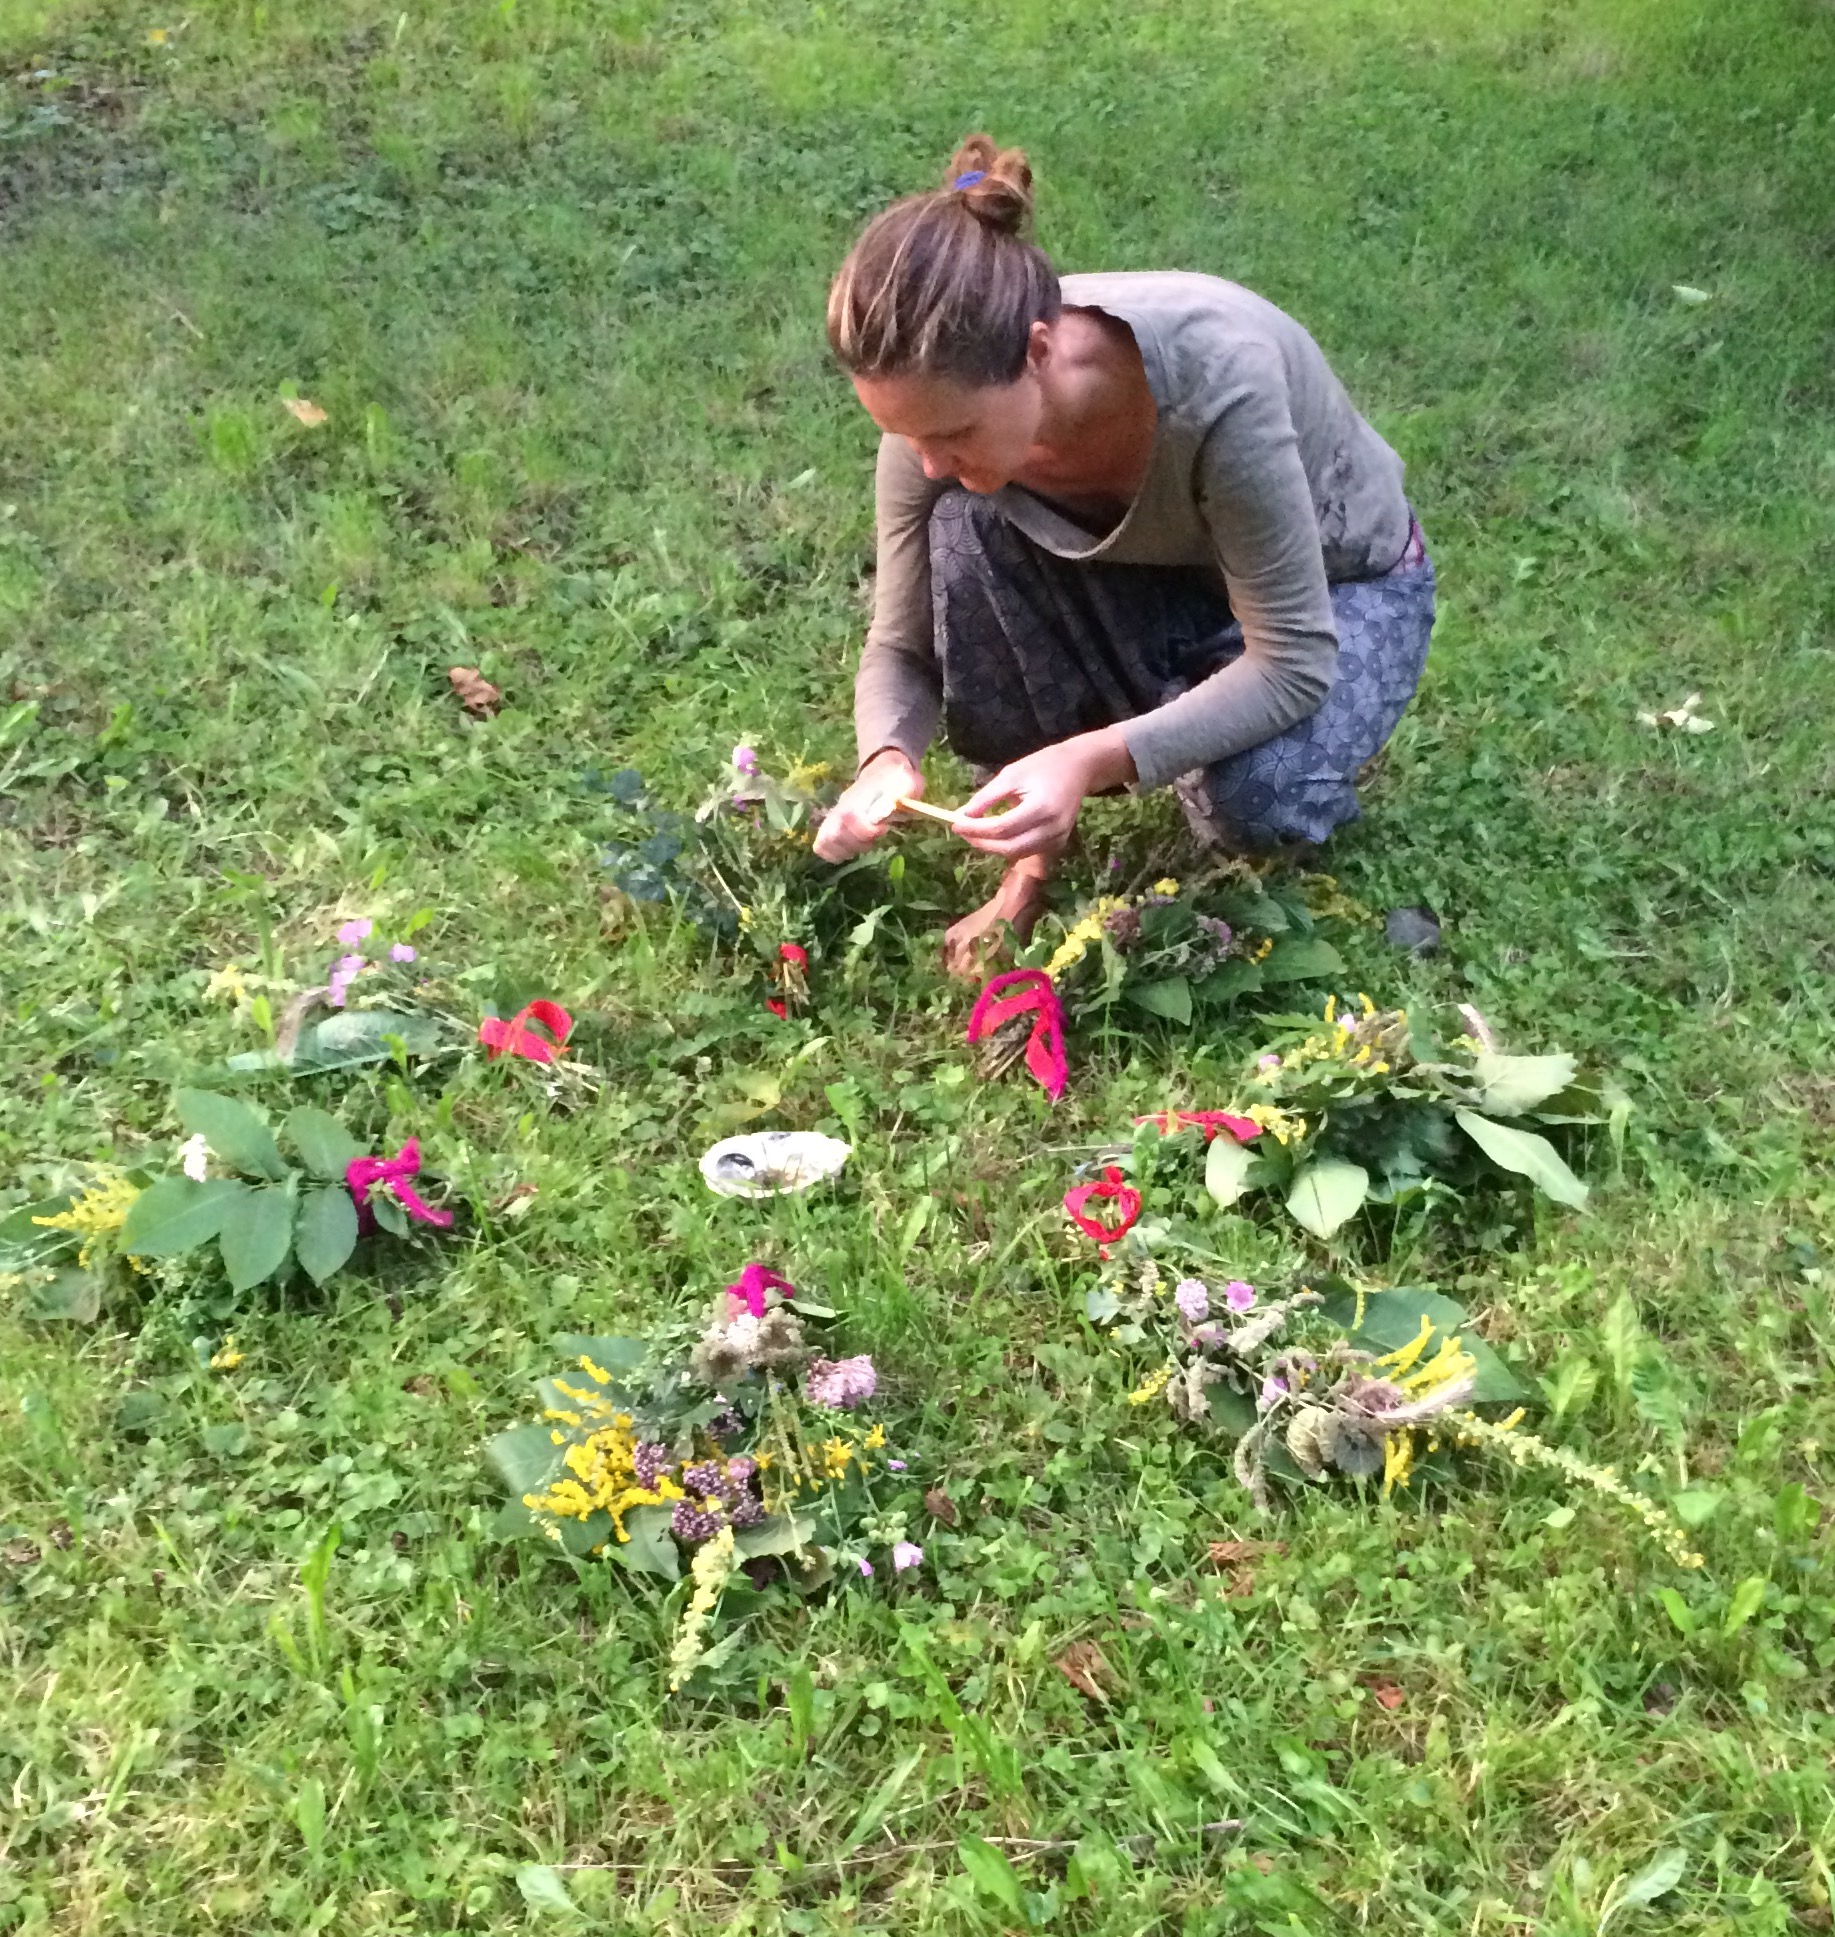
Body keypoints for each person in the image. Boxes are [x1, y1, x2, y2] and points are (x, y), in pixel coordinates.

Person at [812, 134, 1436, 978]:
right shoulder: (935, 413)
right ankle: (1038, 845)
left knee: (1256, 795)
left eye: (951, 433)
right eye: (902, 435)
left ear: (1038, 352)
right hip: (1156, 580)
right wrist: (885, 758)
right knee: (962, 520)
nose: (924, 462)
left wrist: (1091, 755)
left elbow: (1291, 661)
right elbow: (900, 644)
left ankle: (1207, 724)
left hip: (1340, 583)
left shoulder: (1220, 383)